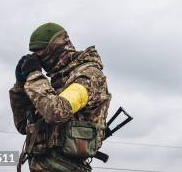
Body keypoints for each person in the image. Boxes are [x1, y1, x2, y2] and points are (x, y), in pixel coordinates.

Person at [9, 23, 112, 171]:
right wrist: (20, 84)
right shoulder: (54, 84)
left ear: (55, 48)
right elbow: (23, 125)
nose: (37, 57)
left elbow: (56, 112)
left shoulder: (88, 76)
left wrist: (34, 76)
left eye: (40, 52)